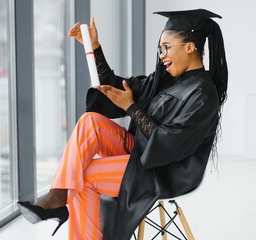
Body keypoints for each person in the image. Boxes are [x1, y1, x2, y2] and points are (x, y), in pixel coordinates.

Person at [17, 8, 228, 240]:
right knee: (91, 121)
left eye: (167, 47)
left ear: (190, 47)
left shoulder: (202, 94)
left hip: (164, 171)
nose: (161, 55)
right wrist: (93, 48)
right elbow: (117, 88)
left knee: (84, 178)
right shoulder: (165, 81)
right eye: (160, 48)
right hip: (142, 153)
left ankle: (66, 211)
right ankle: (57, 196)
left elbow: (170, 145)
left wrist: (131, 108)